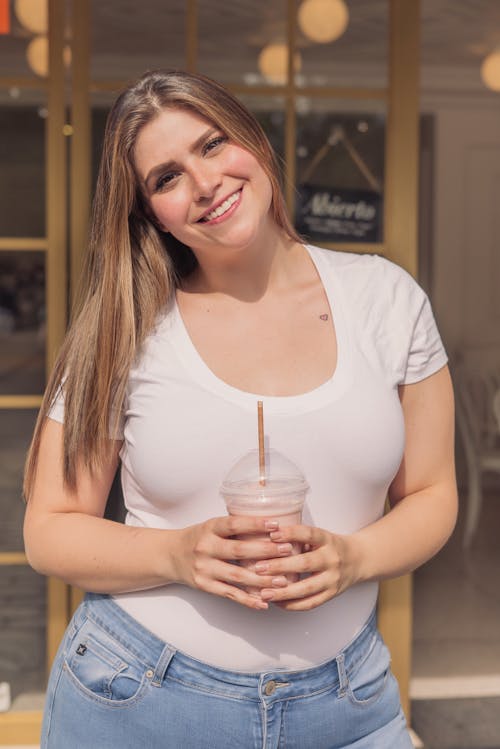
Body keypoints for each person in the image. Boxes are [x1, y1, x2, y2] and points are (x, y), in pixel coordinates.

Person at [23, 69, 458, 749]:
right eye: (165, 178)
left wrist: (354, 556)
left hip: (347, 704)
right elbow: (49, 529)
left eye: (212, 144)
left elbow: (433, 493)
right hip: (140, 702)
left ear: (252, 141)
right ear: (146, 212)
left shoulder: (388, 301)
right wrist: (177, 553)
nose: (203, 183)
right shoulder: (123, 329)